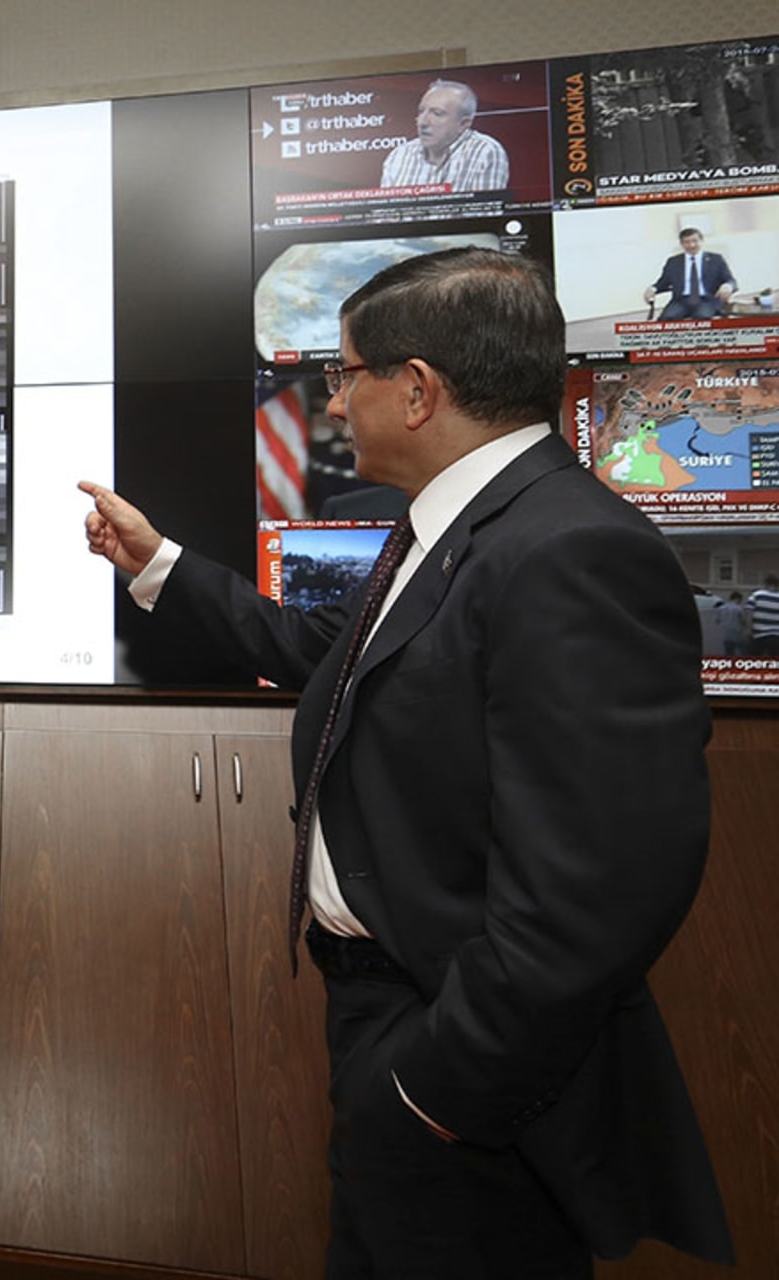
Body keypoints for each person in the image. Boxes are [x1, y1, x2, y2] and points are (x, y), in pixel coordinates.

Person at [80, 248, 731, 1276]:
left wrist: (437, 1087)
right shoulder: (458, 528)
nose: (330, 403)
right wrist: (159, 565)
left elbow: (600, 888)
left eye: (342, 374)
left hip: (464, 1070)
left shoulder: (568, 549)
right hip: (393, 1020)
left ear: (417, 388)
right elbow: (321, 657)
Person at [379, 79, 509, 191]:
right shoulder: (399, 156)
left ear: (463, 124)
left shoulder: (485, 152)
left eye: (437, 113)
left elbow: (485, 216)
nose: (422, 122)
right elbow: (385, 217)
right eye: (421, 111)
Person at [646, 228, 737, 320]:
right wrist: (653, 289)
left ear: (701, 241)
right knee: (666, 319)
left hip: (707, 300)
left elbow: (731, 280)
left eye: (695, 241)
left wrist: (728, 286)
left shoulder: (715, 259)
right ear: (681, 244)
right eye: (687, 242)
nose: (692, 245)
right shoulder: (673, 262)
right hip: (681, 301)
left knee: (701, 318)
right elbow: (663, 282)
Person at [749, 573, 779, 655]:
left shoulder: (757, 595)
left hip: (759, 635)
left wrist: (748, 630)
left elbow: (749, 613)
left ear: (766, 583)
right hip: (777, 637)